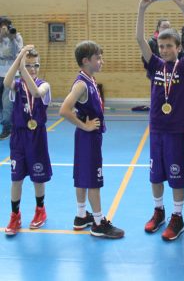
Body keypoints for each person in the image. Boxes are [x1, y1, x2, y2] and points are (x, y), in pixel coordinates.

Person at [136, 0, 184, 241]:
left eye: (169, 46)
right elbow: (139, 39)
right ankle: (159, 211)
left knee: (176, 175)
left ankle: (177, 217)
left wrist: (183, 6)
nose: (164, 50)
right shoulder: (155, 65)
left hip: (177, 129)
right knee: (156, 174)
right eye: (161, 46)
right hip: (158, 128)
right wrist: (142, 9)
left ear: (178, 47)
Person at [59, 40, 124, 239]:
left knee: (82, 176)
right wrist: (85, 125)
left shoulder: (89, 79)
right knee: (94, 180)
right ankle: (98, 222)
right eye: (98, 58)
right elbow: (64, 110)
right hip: (88, 137)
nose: (101, 61)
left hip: (87, 138)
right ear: (86, 61)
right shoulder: (81, 84)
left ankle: (81, 216)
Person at [3, 45, 52, 235]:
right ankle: (15, 215)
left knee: (38, 177)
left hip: (36, 136)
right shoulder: (16, 86)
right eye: (29, 66)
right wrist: (19, 58)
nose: (33, 69)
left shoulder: (44, 84)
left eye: (36, 65)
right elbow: (7, 82)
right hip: (18, 136)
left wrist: (23, 69)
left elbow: (37, 93)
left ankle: (40, 210)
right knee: (16, 178)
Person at [0, 16, 23, 139]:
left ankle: (7, 128)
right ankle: (7, 125)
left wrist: (12, 39)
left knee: (7, 102)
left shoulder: (16, 36)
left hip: (11, 74)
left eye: (6, 25)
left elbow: (17, 54)